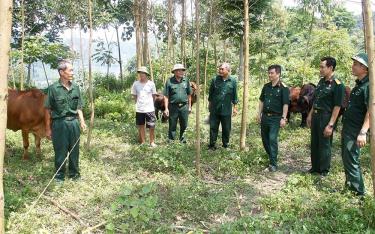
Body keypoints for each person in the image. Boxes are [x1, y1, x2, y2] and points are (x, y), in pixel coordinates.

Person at [45, 60, 86, 182]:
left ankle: (74, 175)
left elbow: (78, 107)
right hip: (59, 124)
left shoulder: (76, 88)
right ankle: (59, 177)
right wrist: (48, 128)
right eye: (70, 70)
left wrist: (82, 122)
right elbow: (47, 110)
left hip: (74, 123)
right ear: (62, 72)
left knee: (74, 150)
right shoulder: (53, 89)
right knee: (60, 150)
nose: (72, 72)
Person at [306, 56, 345, 176]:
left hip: (326, 117)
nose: (320, 69)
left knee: (325, 144)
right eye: (320, 67)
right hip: (316, 116)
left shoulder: (338, 85)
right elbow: (316, 100)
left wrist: (331, 124)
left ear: (330, 68)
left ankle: (324, 170)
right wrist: (310, 115)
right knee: (315, 142)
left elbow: (337, 106)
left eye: (322, 67)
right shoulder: (321, 82)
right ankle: (315, 168)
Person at [341, 53, 370, 196]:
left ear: (364, 68)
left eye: (355, 64)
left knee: (352, 160)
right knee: (347, 158)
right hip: (348, 128)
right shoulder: (359, 85)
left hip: (356, 130)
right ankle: (349, 188)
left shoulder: (368, 86)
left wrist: (363, 132)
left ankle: (358, 194)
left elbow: (371, 110)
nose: (352, 66)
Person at [257, 65, 289, 172]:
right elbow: (261, 100)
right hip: (265, 116)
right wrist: (259, 114)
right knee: (265, 139)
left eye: (272, 73)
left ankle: (273, 163)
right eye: (269, 73)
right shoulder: (266, 86)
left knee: (272, 139)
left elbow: (285, 104)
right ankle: (271, 157)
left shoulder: (283, 88)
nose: (269, 75)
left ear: (278, 74)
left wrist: (284, 118)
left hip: (276, 118)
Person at [208, 63, 238, 150]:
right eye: (219, 69)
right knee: (213, 127)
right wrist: (209, 105)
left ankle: (225, 145)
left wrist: (235, 108)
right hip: (215, 108)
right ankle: (212, 145)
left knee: (226, 128)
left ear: (228, 71)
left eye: (222, 69)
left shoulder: (233, 81)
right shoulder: (214, 80)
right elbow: (211, 94)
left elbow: (234, 95)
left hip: (226, 109)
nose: (220, 71)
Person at [163, 64, 192, 143]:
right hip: (173, 106)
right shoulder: (169, 81)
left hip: (184, 107)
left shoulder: (186, 80)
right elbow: (166, 96)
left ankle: (183, 141)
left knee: (184, 125)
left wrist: (189, 107)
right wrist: (166, 108)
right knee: (172, 125)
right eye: (179, 70)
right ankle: (171, 141)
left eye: (182, 70)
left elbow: (189, 95)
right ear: (175, 72)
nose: (181, 72)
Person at [131, 66, 157, 147]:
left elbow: (154, 96)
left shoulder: (151, 84)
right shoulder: (136, 84)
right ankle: (143, 142)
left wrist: (150, 104)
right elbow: (134, 95)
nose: (141, 75)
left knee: (151, 126)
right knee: (141, 125)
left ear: (146, 74)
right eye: (140, 73)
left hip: (149, 109)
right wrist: (138, 104)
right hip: (140, 109)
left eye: (143, 73)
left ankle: (152, 142)